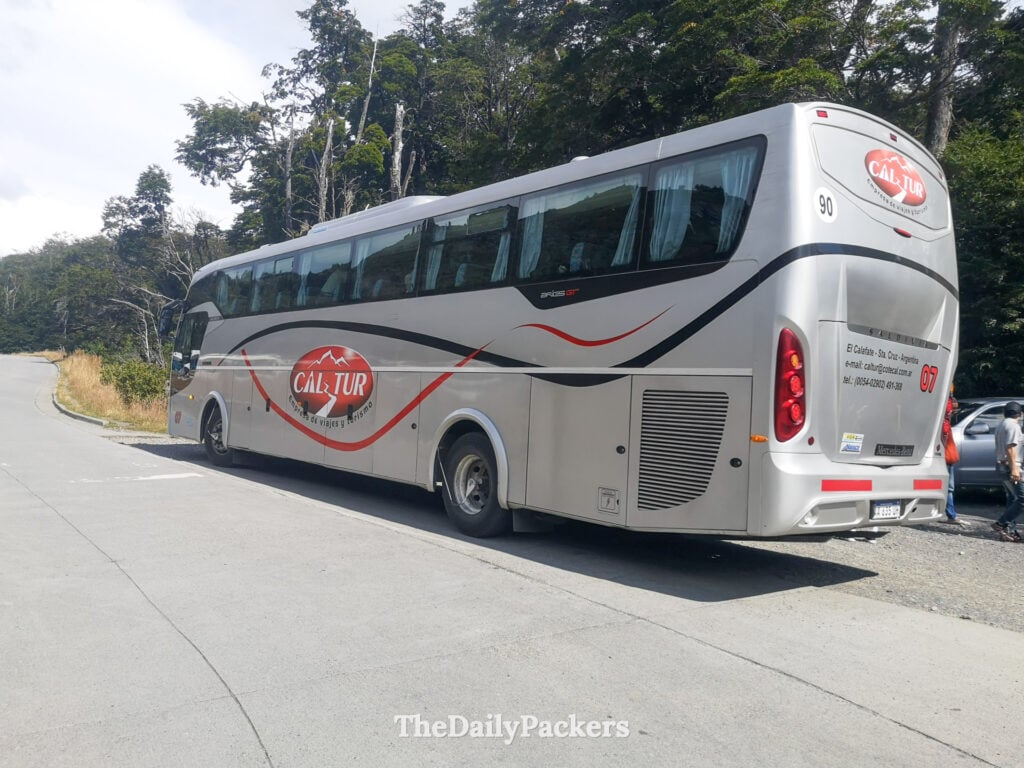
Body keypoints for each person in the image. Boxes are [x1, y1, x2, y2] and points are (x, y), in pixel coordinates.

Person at [992, 400, 1024, 542]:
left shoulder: (1001, 424)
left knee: (1012, 498)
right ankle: (1001, 523)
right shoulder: (1013, 426)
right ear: (1020, 414)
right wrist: (1015, 469)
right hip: (1010, 466)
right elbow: (1010, 448)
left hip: (1002, 465)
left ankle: (1010, 530)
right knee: (1022, 499)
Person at [941, 393, 967, 525]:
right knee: (949, 488)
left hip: (947, 457)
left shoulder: (944, 423)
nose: (953, 412)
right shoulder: (945, 425)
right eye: (953, 409)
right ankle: (951, 515)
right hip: (947, 458)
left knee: (948, 488)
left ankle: (950, 514)